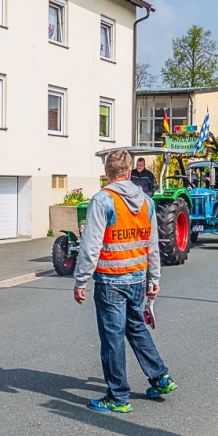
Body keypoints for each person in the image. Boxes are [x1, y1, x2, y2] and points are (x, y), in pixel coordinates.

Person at [73, 149, 175, 413]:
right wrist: (154, 278)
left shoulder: (102, 200)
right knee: (136, 328)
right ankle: (160, 377)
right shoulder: (147, 202)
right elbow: (152, 245)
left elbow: (90, 246)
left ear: (107, 172)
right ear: (130, 172)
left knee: (112, 338)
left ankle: (118, 396)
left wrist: (80, 280)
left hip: (110, 281)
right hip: (137, 279)